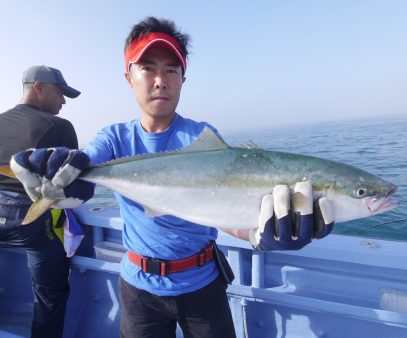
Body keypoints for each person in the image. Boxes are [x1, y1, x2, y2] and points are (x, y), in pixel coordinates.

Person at [10, 17, 335, 338]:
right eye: (148, 68)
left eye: (171, 70)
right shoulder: (114, 138)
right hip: (138, 288)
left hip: (203, 285)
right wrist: (67, 171)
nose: (160, 80)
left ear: (182, 78)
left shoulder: (204, 139)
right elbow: (88, 161)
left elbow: (218, 209)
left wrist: (257, 236)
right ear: (129, 77)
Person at [0, 65, 82, 338]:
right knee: (50, 294)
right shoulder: (59, 126)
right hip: (31, 221)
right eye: (60, 93)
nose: (63, 101)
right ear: (39, 87)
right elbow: (73, 182)